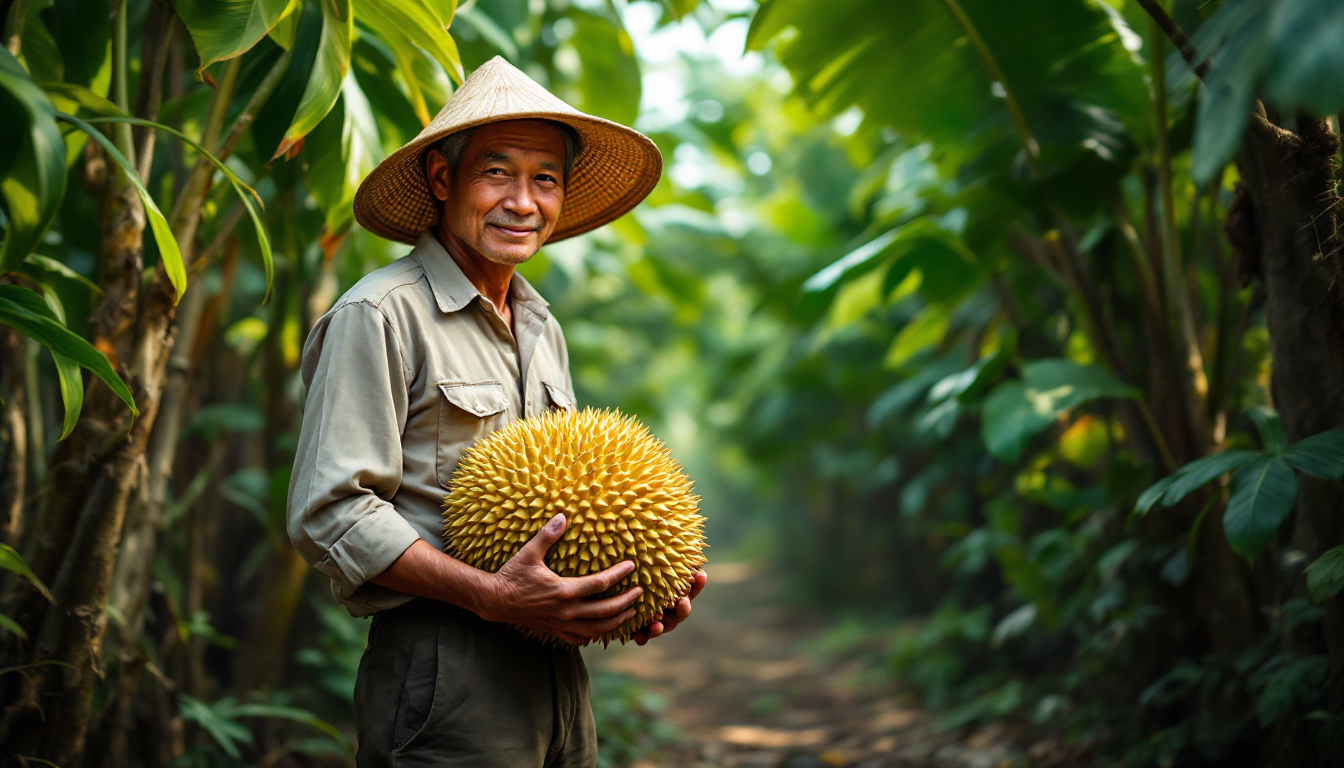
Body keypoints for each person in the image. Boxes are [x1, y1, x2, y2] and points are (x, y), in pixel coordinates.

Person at [286, 56, 707, 766]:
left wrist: (624, 593)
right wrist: (492, 596)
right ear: (444, 180)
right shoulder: (381, 314)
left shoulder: (542, 326)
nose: (522, 202)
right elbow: (329, 512)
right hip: (443, 665)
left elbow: (557, 500)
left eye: (545, 179)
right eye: (496, 173)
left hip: (555, 671)